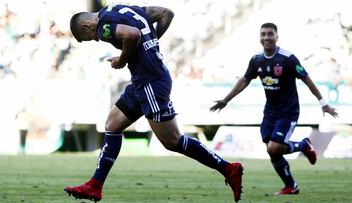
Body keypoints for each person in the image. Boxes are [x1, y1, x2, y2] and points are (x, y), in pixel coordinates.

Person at [65, 3, 243, 202]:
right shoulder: (121, 9)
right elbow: (166, 13)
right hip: (143, 81)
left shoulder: (103, 25)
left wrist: (122, 60)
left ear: (87, 26)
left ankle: (229, 169)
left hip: (150, 82)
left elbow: (132, 35)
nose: (96, 39)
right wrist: (150, 45)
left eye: (90, 38)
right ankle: (95, 185)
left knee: (172, 141)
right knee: (112, 125)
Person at [210, 23, 338, 195]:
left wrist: (323, 103)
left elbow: (306, 79)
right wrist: (226, 99)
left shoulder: (288, 59)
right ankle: (292, 185)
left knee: (273, 148)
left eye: (270, 34)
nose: (267, 37)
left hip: (289, 111)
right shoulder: (256, 60)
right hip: (270, 112)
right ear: (259, 38)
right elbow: (244, 80)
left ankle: (302, 146)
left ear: (277, 37)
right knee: (272, 150)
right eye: (263, 34)